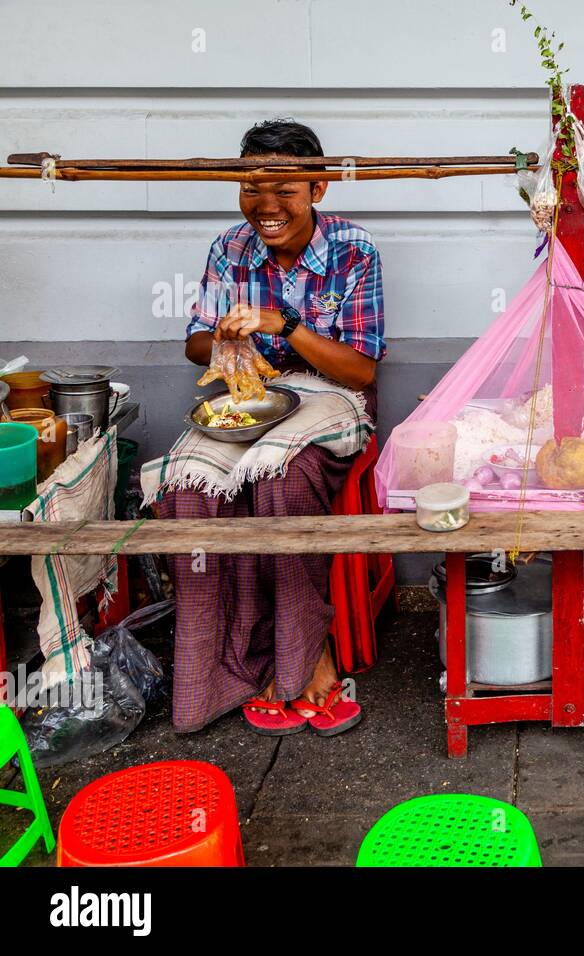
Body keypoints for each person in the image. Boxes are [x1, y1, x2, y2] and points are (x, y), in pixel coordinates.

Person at [156, 119, 385, 736]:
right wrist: (226, 340)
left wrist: (281, 325)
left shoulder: (354, 249)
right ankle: (224, 670)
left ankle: (307, 657)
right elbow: (195, 344)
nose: (266, 205)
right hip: (248, 397)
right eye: (252, 187)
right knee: (186, 493)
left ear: (319, 188)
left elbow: (360, 370)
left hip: (329, 399)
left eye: (284, 189)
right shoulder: (229, 248)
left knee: (279, 482)